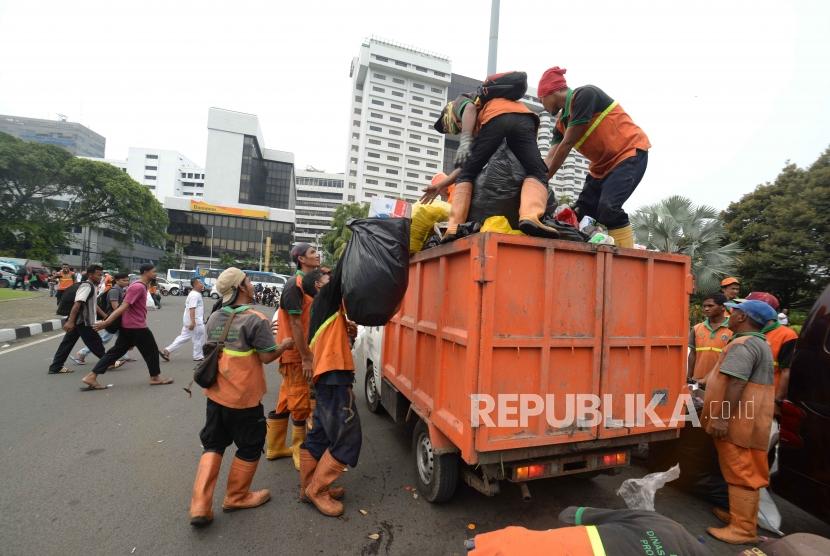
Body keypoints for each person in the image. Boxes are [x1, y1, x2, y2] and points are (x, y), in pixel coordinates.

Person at [188, 267, 294, 528]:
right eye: (248, 281)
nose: (252, 284)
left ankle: (200, 505)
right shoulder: (256, 319)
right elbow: (267, 356)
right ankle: (236, 497)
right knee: (249, 445)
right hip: (244, 398)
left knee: (213, 444)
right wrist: (285, 344)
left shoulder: (215, 317)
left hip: (215, 395)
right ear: (241, 288)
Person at [425, 82, 558, 241]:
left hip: (497, 118)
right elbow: (470, 162)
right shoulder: (488, 114)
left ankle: (454, 227)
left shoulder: (460, 102)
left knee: (467, 174)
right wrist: (442, 184)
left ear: (449, 117)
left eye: (455, 128)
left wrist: (465, 139)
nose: (459, 130)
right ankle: (529, 217)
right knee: (538, 172)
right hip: (526, 119)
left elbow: (470, 109)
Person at [537, 67, 651, 248]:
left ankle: (626, 257)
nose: (541, 103)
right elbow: (550, 157)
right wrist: (534, 179)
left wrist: (541, 182)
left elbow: (566, 145)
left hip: (628, 155)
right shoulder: (560, 124)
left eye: (541, 98)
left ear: (551, 92)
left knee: (609, 208)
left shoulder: (584, 96)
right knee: (579, 214)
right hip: (601, 168)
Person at [701, 299, 777, 544]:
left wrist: (722, 419)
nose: (729, 315)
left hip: (739, 421)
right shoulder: (759, 342)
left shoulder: (742, 344)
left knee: (741, 473)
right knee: (747, 470)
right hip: (752, 418)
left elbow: (736, 383)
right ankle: (741, 518)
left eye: (734, 312)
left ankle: (743, 530)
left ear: (743, 317)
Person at [301, 263, 360, 518]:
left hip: (328, 377)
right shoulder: (325, 297)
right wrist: (355, 242)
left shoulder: (327, 309)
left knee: (321, 435)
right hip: (334, 377)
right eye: (325, 276)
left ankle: (307, 487)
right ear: (318, 285)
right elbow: (341, 272)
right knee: (348, 439)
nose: (330, 278)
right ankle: (317, 490)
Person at [266, 243, 320, 468]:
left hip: (300, 352)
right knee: (300, 400)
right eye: (312, 253)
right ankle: (299, 448)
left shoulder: (306, 284)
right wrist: (307, 357)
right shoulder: (294, 285)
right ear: (301, 259)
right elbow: (296, 324)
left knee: (286, 399)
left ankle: (275, 447)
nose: (317, 255)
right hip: (297, 354)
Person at [468, 506, 709, 555]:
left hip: (572, 542)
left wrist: (574, 514)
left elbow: (577, 514)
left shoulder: (658, 521)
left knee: (513, 544)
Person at [82, 263, 174, 390]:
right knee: (151, 351)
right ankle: (155, 378)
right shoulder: (138, 287)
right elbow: (123, 307)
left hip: (130, 327)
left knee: (114, 353)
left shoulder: (141, 286)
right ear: (146, 272)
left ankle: (91, 376)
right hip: (136, 327)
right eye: (153, 271)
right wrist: (106, 322)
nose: (155, 274)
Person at [47, 265, 108, 375]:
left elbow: (94, 305)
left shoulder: (93, 286)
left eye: (102, 275)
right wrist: (70, 321)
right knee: (96, 343)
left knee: (67, 343)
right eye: (99, 275)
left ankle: (56, 367)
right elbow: (77, 303)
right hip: (83, 321)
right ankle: (109, 362)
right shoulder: (87, 286)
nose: (101, 277)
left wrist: (106, 317)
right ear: (90, 275)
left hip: (79, 321)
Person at [745, 292, 799, 409]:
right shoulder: (745, 329)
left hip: (766, 399)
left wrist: (777, 401)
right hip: (744, 394)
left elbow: (786, 371)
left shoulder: (787, 335)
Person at [72, 272, 130, 366]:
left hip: (116, 318)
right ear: (117, 281)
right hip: (113, 319)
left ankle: (124, 355)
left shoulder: (120, 290)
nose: (126, 282)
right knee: (105, 339)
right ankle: (82, 353)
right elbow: (115, 307)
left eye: (127, 280)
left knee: (124, 337)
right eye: (124, 280)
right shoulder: (115, 290)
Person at [688, 293, 732, 381]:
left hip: (720, 382)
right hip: (697, 380)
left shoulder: (732, 329)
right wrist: (689, 377)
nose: (706, 309)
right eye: (704, 306)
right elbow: (692, 354)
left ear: (723, 307)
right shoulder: (696, 329)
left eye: (710, 306)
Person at [160, 278, 206, 362]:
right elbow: (192, 308)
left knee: (183, 337)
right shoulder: (195, 295)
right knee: (198, 338)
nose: (202, 284)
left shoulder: (194, 294)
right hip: (195, 321)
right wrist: (193, 322)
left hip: (190, 321)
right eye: (200, 283)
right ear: (195, 284)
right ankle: (198, 356)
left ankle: (167, 350)